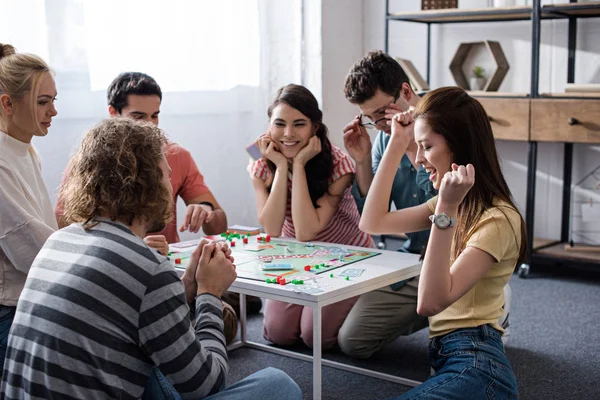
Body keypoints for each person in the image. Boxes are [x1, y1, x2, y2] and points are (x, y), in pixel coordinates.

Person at [1, 117, 302, 400]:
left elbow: (130, 312)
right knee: (278, 384)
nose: (170, 183)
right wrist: (210, 293)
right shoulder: (148, 269)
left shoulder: (59, 240)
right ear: (147, 182)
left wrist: (188, 285)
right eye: (166, 174)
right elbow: (207, 384)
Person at [54, 72, 250, 343]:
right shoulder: (92, 161)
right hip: (122, 278)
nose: (150, 126)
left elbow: (219, 223)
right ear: (113, 113)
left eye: (155, 115)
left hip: (170, 273)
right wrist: (130, 248)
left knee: (225, 317)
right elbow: (65, 222)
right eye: (138, 117)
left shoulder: (175, 155)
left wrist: (204, 208)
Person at [361, 87, 523, 399]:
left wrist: (446, 210)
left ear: (459, 146)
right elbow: (372, 222)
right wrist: (397, 143)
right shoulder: (445, 204)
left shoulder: (497, 219)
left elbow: (429, 303)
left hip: (478, 361)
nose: (419, 158)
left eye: (427, 147)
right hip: (449, 354)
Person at [248, 84, 374, 350]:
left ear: (315, 128)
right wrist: (282, 166)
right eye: (279, 124)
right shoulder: (261, 159)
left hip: (345, 255)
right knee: (279, 334)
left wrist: (301, 165)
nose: (288, 134)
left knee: (315, 336)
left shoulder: (338, 164)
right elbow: (271, 228)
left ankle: (367, 295)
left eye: (299, 124)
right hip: (298, 257)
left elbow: (307, 231)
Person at [338, 50, 434, 359]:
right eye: (370, 118)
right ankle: (431, 311)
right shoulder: (382, 136)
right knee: (352, 341)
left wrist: (407, 146)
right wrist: (362, 160)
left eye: (382, 113)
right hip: (413, 260)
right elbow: (373, 211)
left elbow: (441, 207)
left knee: (453, 352)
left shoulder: (446, 124)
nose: (378, 124)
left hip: (456, 257)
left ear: (406, 91)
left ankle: (487, 301)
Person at [0, 43, 58, 371]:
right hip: (11, 314)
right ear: (8, 103)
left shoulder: (25, 150)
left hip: (32, 303)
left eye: (53, 101)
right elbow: (31, 251)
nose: (53, 111)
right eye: (42, 102)